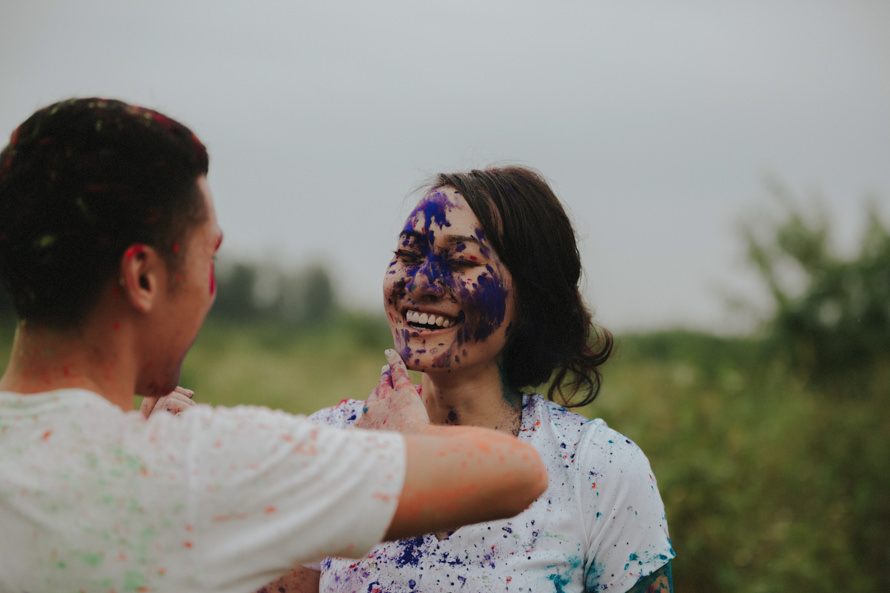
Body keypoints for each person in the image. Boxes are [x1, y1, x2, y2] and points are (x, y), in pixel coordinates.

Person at [0, 99, 549, 593]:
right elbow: (519, 472)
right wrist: (400, 446)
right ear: (143, 279)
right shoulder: (195, 462)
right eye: (206, 256)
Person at [268, 167, 675, 592]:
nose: (420, 281)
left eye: (460, 260)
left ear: (530, 298)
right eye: (407, 255)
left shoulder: (597, 471)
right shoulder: (326, 444)